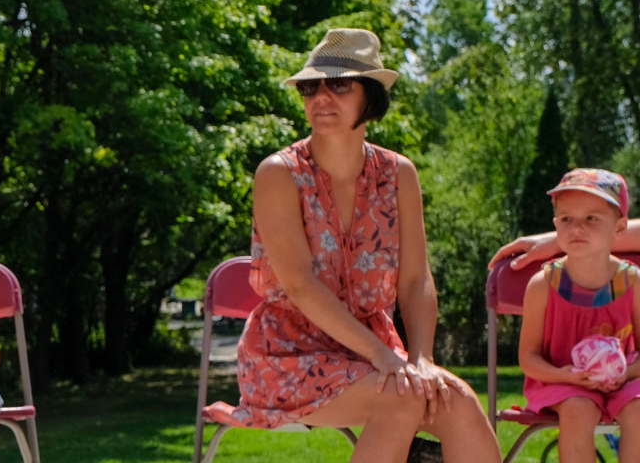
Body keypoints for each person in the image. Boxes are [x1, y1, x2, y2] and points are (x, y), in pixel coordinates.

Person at [230, 28, 497, 461]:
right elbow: (299, 285)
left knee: (458, 400)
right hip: (288, 354)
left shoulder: (398, 174)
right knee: (402, 397)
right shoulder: (277, 174)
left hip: (376, 356)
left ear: (370, 98)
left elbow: (414, 279)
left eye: (338, 84)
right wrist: (385, 358)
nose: (321, 97)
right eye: (310, 86)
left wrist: (421, 357)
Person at [517, 169, 640, 463]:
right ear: (555, 224)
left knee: (639, 409)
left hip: (622, 380)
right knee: (578, 407)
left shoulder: (633, 283)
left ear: (620, 227)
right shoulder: (543, 285)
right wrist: (564, 375)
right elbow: (528, 358)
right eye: (566, 219)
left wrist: (627, 374)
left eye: (591, 218)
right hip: (561, 381)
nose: (577, 228)